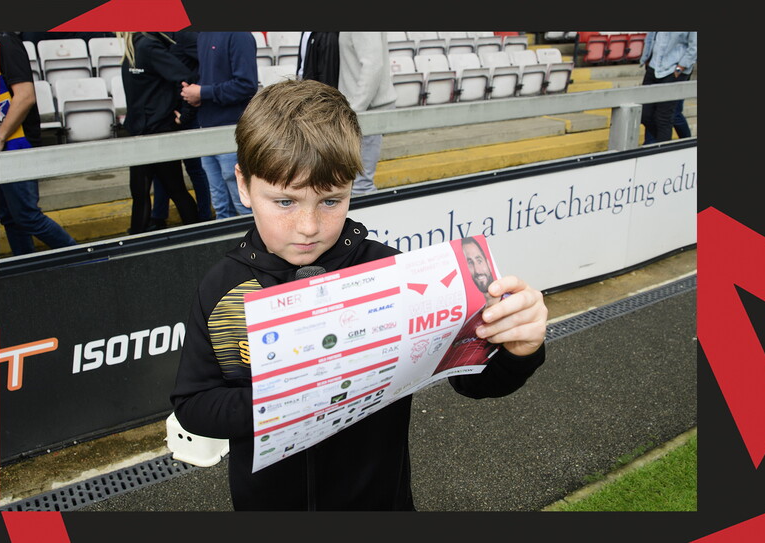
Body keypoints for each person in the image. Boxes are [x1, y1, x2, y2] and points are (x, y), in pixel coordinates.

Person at [170, 79, 548, 511]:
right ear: (243, 185)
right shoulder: (223, 289)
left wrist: (519, 350)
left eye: (330, 201)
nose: (309, 226)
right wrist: (298, 396)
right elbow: (193, 404)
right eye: (285, 202)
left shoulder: (393, 273)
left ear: (353, 184)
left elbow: (473, 382)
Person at [0, 31, 77, 256]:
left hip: (15, 142)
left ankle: (84, 261)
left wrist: (0, 135)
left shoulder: (4, 41)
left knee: (26, 216)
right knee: (10, 218)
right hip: (5, 142)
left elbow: (25, 96)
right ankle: (28, 271)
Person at [118, 31, 201, 234]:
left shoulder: (147, 46)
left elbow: (185, 77)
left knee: (173, 189)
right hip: (142, 132)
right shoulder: (136, 47)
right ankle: (136, 244)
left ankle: (198, 236)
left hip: (158, 132)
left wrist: (185, 114)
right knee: (142, 192)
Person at [181, 31, 258, 218]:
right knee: (222, 206)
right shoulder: (203, 35)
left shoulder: (239, 35)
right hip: (208, 129)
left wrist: (203, 93)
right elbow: (210, 79)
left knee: (243, 206)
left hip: (231, 132)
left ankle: (256, 247)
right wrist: (198, 95)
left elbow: (247, 85)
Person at [150, 30, 214, 227]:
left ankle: (203, 216)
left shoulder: (186, 35)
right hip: (170, 113)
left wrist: (187, 112)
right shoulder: (159, 38)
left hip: (187, 113)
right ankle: (158, 216)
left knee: (195, 168)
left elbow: (201, 70)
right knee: (164, 168)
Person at [432, 236, 504, 375]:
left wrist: (522, 353)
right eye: (469, 263)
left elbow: (472, 382)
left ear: (488, 262)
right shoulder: (466, 318)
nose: (477, 270)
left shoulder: (508, 302)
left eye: (479, 260)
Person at [337, 32, 397, 196]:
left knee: (361, 184)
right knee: (356, 182)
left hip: (368, 109)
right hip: (364, 107)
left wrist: (354, 110)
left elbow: (373, 66)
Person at [639, 32, 697, 143]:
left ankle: (662, 150)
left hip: (674, 70)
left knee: (664, 117)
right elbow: (651, 36)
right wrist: (646, 57)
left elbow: (694, 45)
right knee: (645, 113)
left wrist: (681, 67)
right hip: (653, 67)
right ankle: (663, 144)